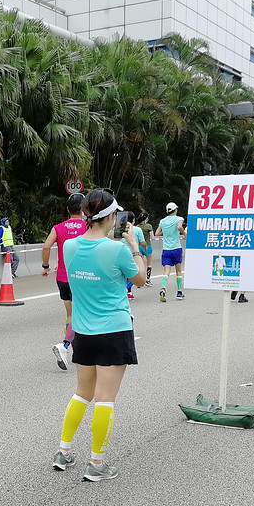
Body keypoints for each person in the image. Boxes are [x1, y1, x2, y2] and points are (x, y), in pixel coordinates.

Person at [51, 189, 146, 481]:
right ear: (111, 216)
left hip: (83, 332)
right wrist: (134, 247)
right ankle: (97, 463)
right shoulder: (116, 249)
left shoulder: (70, 248)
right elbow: (140, 280)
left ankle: (64, 451)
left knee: (83, 393)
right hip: (114, 330)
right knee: (105, 398)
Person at [41, 193, 87, 370]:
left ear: (68, 210)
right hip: (82, 277)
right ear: (83, 210)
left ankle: (74, 350)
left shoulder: (58, 227)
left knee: (70, 315)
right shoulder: (88, 226)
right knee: (81, 314)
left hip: (62, 277)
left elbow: (46, 247)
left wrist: (45, 266)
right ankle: (65, 346)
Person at [155, 201, 185, 301]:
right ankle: (179, 292)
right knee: (178, 270)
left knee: (166, 271)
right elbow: (179, 227)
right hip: (176, 248)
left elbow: (157, 233)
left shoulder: (162, 221)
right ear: (175, 209)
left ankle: (163, 287)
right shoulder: (179, 219)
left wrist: (166, 232)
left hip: (166, 250)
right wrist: (184, 233)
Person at [137, 213, 155, 283]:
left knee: (140, 264)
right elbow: (152, 237)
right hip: (147, 246)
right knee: (149, 263)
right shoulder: (149, 226)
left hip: (139, 246)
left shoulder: (138, 227)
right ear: (146, 218)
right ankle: (148, 279)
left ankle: (140, 280)